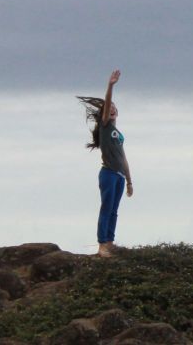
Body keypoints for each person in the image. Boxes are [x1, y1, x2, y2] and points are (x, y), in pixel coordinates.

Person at [77, 69, 133, 257]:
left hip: (119, 175)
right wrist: (110, 86)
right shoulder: (105, 127)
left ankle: (110, 241)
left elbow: (123, 157)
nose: (111, 109)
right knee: (106, 208)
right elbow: (107, 102)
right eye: (108, 108)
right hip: (108, 173)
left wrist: (130, 181)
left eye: (114, 108)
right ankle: (102, 245)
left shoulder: (119, 134)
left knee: (114, 210)